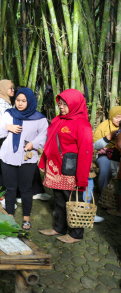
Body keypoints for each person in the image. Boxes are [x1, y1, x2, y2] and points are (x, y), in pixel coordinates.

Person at [38, 89, 93, 243]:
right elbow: (49, 143)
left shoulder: (83, 125)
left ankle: (76, 234)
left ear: (75, 104)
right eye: (60, 104)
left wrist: (82, 179)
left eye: (65, 104)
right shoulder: (59, 119)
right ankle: (59, 228)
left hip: (71, 172)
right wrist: (43, 162)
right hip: (56, 169)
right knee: (59, 201)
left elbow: (86, 153)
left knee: (74, 202)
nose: (61, 107)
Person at [0, 88, 48, 230]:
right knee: (10, 188)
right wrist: (8, 126)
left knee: (26, 189)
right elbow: (0, 132)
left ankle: (26, 218)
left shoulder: (39, 118)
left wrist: (34, 144)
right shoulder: (9, 114)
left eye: (23, 101)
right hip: (8, 156)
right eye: (18, 100)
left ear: (30, 101)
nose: (19, 103)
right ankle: (9, 215)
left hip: (28, 158)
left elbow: (43, 135)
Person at [93, 106, 121, 193]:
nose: (119, 120)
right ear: (111, 117)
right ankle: (104, 196)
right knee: (106, 170)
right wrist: (110, 136)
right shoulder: (103, 126)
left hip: (118, 154)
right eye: (117, 117)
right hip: (105, 154)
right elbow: (95, 146)